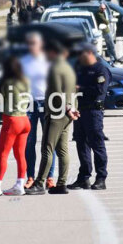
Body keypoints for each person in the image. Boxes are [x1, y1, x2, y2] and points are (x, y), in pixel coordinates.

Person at [26, 41, 78, 195]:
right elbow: (73, 92)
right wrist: (74, 108)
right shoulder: (69, 69)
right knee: (62, 150)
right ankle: (61, 183)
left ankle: (39, 183)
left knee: (47, 149)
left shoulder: (54, 69)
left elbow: (57, 93)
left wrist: (68, 109)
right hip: (67, 114)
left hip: (57, 113)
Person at [0, 56, 31, 196]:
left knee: (3, 154)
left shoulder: (8, 82)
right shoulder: (25, 80)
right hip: (24, 119)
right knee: (20, 154)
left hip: (12, 120)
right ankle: (20, 183)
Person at [68, 44, 111, 191]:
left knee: (97, 144)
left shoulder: (100, 70)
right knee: (81, 144)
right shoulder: (82, 69)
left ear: (89, 54)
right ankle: (84, 177)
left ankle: (101, 178)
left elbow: (100, 90)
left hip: (94, 112)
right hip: (81, 111)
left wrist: (81, 89)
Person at [20, 33, 54, 188]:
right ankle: (31, 177)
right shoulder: (23, 62)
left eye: (35, 43)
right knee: (29, 142)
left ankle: (49, 177)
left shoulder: (48, 61)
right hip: (29, 105)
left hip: (47, 103)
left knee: (48, 142)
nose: (32, 46)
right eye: (30, 43)